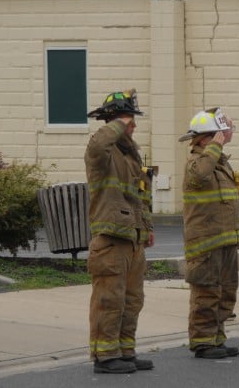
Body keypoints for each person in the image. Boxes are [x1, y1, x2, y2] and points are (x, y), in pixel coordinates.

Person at [85, 89, 155, 374]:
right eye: (130, 121)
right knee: (109, 300)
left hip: (133, 239)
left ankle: (125, 351)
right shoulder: (102, 150)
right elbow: (99, 143)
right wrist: (118, 121)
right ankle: (105, 356)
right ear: (116, 122)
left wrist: (146, 228)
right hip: (111, 241)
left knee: (132, 300)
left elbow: (139, 196)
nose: (134, 126)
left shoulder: (130, 156)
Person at [179, 107, 239, 359]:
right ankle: (203, 341)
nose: (224, 136)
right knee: (206, 293)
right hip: (205, 244)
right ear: (205, 138)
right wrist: (216, 145)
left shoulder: (218, 163)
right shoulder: (196, 162)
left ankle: (217, 338)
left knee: (225, 292)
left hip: (225, 242)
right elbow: (200, 175)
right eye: (217, 134)